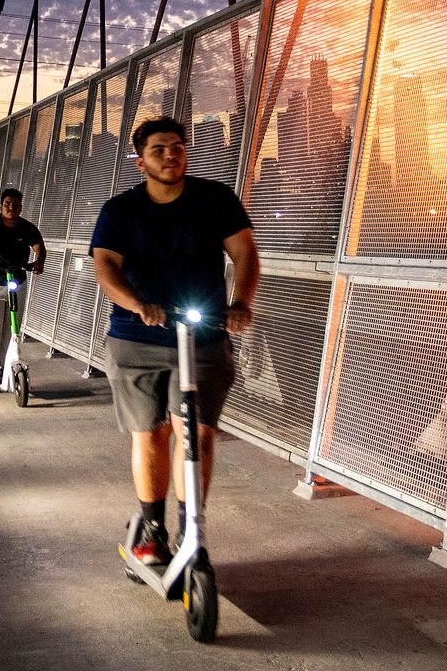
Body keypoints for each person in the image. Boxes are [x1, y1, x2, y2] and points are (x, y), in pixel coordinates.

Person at [90, 116, 259, 568]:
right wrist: (135, 303)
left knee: (196, 434)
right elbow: (105, 265)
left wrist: (241, 302)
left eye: (178, 146)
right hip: (136, 338)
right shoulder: (120, 211)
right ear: (141, 160)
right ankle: (153, 529)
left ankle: (191, 529)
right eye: (160, 148)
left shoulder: (214, 199)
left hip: (202, 335)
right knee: (150, 433)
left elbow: (244, 251)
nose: (171, 154)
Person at [0, 189, 45, 390]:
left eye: (15, 204)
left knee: (11, 329)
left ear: (21, 207)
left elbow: (39, 246)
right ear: (1, 205)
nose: (11, 207)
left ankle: (4, 368)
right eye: (7, 203)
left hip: (16, 279)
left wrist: (39, 261)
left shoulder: (26, 228)